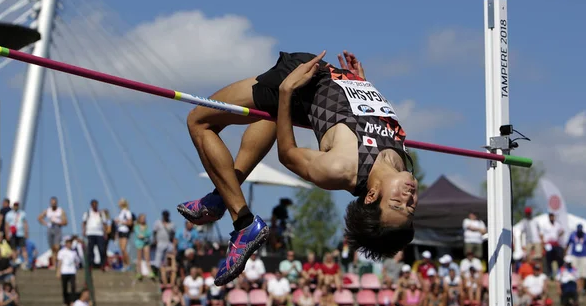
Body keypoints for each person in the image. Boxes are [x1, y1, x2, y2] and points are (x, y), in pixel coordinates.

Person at [177, 51, 418, 285]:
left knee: (199, 121)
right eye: (410, 208)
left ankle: (243, 222)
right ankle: (221, 197)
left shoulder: (340, 168)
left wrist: (285, 92)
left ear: (372, 196)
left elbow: (288, 155)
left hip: (300, 80)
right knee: (272, 116)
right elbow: (366, 117)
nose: (408, 198)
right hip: (328, 80)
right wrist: (361, 84)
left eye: (397, 203)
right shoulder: (400, 163)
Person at [38, 197, 68, 268]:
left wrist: (58, 222)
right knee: (52, 248)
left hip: (57, 228)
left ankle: (58, 264)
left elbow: (65, 222)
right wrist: (46, 223)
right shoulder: (47, 210)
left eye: (54, 202)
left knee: (57, 247)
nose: (53, 204)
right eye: (52, 202)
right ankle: (54, 264)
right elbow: (39, 218)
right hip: (50, 229)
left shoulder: (60, 211)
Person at [56, 237, 79, 306]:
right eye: (68, 243)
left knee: (73, 287)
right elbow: (60, 262)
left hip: (72, 271)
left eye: (70, 243)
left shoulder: (74, 252)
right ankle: (65, 301)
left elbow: (77, 261)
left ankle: (72, 301)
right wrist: (58, 271)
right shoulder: (61, 252)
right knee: (64, 287)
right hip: (64, 271)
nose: (69, 244)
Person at [4, 202, 29, 267]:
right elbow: (7, 225)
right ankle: (14, 261)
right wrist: (7, 234)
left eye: (17, 205)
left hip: (21, 233)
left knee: (23, 248)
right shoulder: (9, 214)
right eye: (15, 205)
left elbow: (25, 223)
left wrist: (26, 232)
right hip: (12, 234)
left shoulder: (22, 213)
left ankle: (26, 262)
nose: (16, 206)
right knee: (13, 248)